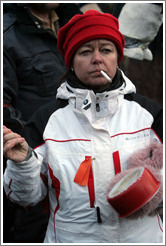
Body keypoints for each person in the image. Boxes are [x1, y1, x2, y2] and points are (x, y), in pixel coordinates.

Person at [3, 10, 163, 243]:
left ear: (117, 57)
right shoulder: (46, 122)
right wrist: (23, 164)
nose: (97, 59)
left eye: (106, 50)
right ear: (71, 62)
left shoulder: (149, 114)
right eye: (85, 51)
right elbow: (25, 197)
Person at [3, 3, 82, 243]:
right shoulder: (7, 34)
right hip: (33, 164)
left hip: (81, 160)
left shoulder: (76, 21)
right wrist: (30, 149)